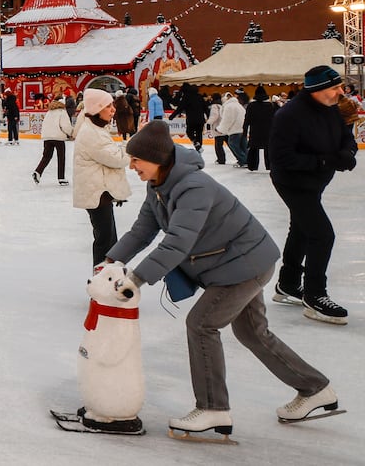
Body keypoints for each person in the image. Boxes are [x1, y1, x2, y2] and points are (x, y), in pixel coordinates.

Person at [106, 121, 337, 439]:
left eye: (136, 160)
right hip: (233, 264)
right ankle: (315, 388)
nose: (131, 166)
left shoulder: (193, 187)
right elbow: (142, 230)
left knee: (201, 324)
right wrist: (109, 260)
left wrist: (135, 279)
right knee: (254, 334)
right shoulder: (158, 187)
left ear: (157, 158)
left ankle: (213, 408)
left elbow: (177, 242)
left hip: (244, 265)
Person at [269, 65, 358, 324]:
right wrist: (323, 161)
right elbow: (281, 158)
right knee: (322, 234)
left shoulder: (331, 109)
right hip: (293, 182)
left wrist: (346, 154)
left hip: (316, 182)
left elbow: (346, 138)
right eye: (335, 88)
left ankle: (287, 284)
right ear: (317, 90)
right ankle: (315, 295)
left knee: (301, 229)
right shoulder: (289, 115)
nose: (341, 92)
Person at [72, 88, 131, 267]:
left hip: (100, 192)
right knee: (105, 241)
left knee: (108, 239)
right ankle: (101, 283)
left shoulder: (96, 129)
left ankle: (107, 280)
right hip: (96, 193)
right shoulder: (91, 133)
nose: (113, 109)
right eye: (108, 106)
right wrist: (133, 146)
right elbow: (117, 159)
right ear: (97, 109)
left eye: (112, 105)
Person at [33, 97, 73, 185]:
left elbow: (45, 124)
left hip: (47, 137)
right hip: (58, 137)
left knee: (46, 156)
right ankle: (61, 178)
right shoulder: (62, 112)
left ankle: (38, 172)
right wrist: (71, 133)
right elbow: (65, 126)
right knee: (61, 157)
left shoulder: (49, 112)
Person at [242, 86, 277, 172]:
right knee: (268, 148)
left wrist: (245, 131)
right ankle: (269, 165)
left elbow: (247, 120)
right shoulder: (271, 106)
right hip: (268, 131)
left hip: (255, 131)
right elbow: (276, 119)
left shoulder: (251, 106)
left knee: (253, 148)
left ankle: (252, 166)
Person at [215, 91, 247, 167]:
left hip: (235, 130)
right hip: (242, 129)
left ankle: (243, 160)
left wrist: (220, 129)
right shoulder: (238, 105)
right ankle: (247, 160)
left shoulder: (229, 107)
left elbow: (227, 120)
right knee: (243, 146)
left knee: (233, 144)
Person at [206, 94, 228, 164]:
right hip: (224, 127)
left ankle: (221, 159)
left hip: (217, 128)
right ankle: (240, 157)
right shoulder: (223, 105)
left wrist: (209, 123)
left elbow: (214, 116)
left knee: (218, 145)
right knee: (230, 145)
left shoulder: (214, 106)